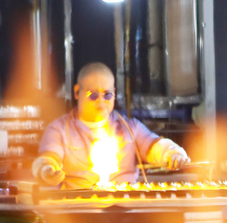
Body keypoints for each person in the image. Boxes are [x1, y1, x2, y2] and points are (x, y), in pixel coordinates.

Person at [33, 62, 191, 188]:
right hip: (79, 211)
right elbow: (49, 158)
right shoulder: (59, 130)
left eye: (107, 95)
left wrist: (172, 153)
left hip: (124, 209)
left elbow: (153, 146)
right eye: (93, 95)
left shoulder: (130, 128)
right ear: (77, 92)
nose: (101, 102)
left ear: (114, 93)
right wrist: (46, 170)